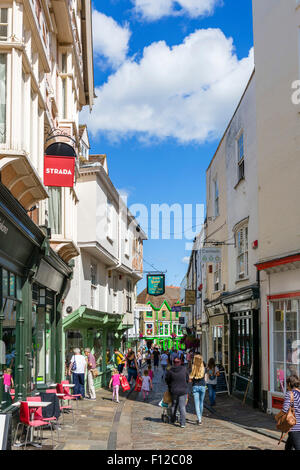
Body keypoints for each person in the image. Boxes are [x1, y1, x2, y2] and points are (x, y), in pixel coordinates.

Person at [165, 357, 189, 428]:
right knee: (182, 406)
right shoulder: (184, 369)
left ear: (173, 363)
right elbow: (187, 378)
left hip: (174, 390)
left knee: (174, 405)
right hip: (182, 390)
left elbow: (167, 380)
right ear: (180, 362)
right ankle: (183, 423)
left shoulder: (170, 371)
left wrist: (170, 386)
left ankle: (173, 419)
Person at [284, 375, 300, 450]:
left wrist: (277, 418)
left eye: (287, 383)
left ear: (289, 384)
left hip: (294, 427)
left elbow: (285, 409)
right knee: (288, 447)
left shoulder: (290, 394)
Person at [189, 354, 206, 425]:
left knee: (197, 404)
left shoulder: (193, 368)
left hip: (195, 386)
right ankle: (200, 418)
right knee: (201, 403)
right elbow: (205, 378)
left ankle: (199, 419)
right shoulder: (203, 368)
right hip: (202, 386)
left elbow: (190, 380)